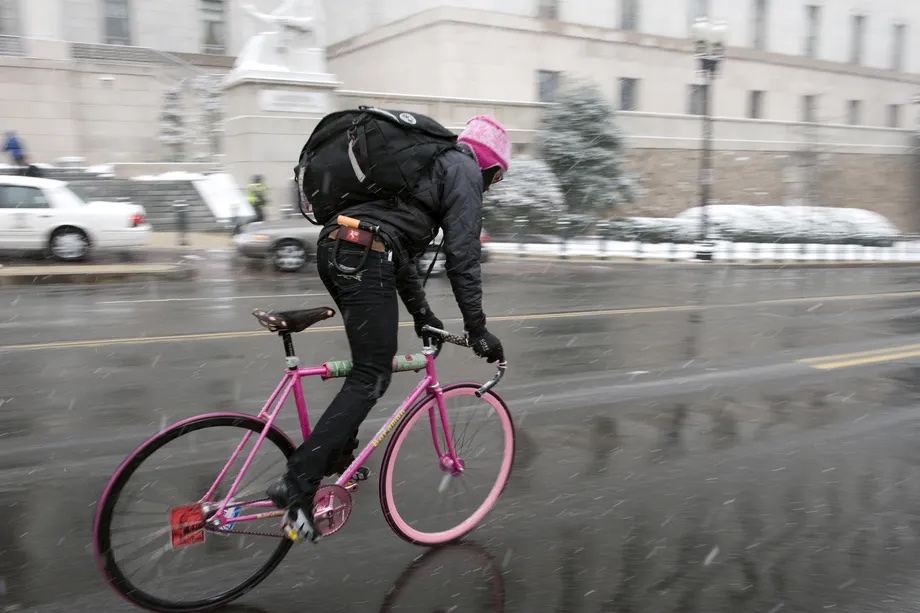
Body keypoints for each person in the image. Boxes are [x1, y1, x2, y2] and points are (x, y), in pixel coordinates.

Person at [267, 115, 511, 542]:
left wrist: (423, 316)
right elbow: (462, 254)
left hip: (339, 246)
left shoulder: (424, 167)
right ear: (490, 168)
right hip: (363, 255)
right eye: (495, 181)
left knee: (367, 364)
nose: (489, 188)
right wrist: (478, 328)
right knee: (371, 375)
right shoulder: (465, 170)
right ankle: (298, 480)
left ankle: (335, 456)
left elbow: (392, 246)